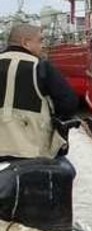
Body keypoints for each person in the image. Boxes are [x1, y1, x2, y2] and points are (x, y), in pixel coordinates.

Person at [0, 24, 79, 159]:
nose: (43, 46)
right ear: (25, 42)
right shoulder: (41, 67)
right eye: (40, 41)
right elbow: (68, 104)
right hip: (33, 150)